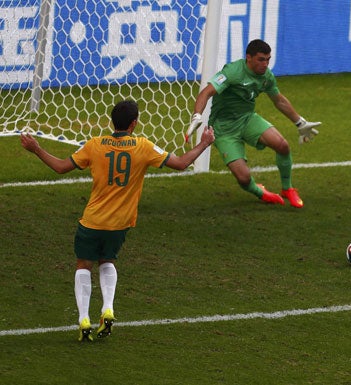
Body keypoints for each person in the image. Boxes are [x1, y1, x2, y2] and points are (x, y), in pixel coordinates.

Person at [20, 100, 215, 341]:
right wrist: (205, 143)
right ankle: (108, 308)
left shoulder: (95, 145)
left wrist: (36, 149)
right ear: (134, 123)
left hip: (91, 222)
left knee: (84, 265)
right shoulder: (143, 146)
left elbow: (61, 167)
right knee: (108, 260)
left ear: (113, 121)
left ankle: (83, 318)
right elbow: (182, 164)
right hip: (120, 224)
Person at [186, 39, 321, 208]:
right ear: (248, 58)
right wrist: (197, 115)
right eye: (261, 59)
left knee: (283, 146)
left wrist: (299, 122)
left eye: (268, 60)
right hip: (224, 128)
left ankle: (288, 189)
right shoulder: (233, 72)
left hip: (247, 119)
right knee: (243, 178)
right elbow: (206, 92)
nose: (265, 64)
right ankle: (260, 192)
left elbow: (279, 100)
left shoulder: (266, 76)